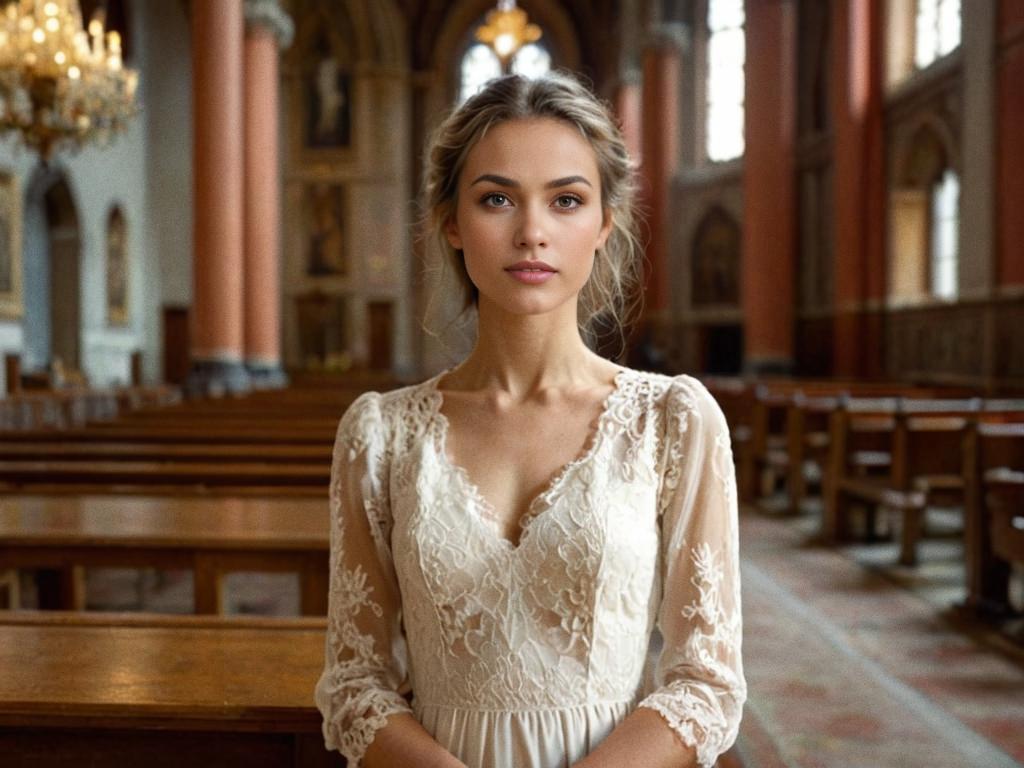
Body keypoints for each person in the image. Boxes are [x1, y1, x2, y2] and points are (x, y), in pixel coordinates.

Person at [314, 71, 746, 768]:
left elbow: (707, 683)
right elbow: (355, 683)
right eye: (496, 200)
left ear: (605, 222)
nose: (532, 233)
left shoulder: (672, 422)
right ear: (452, 221)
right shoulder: (380, 436)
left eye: (566, 200)